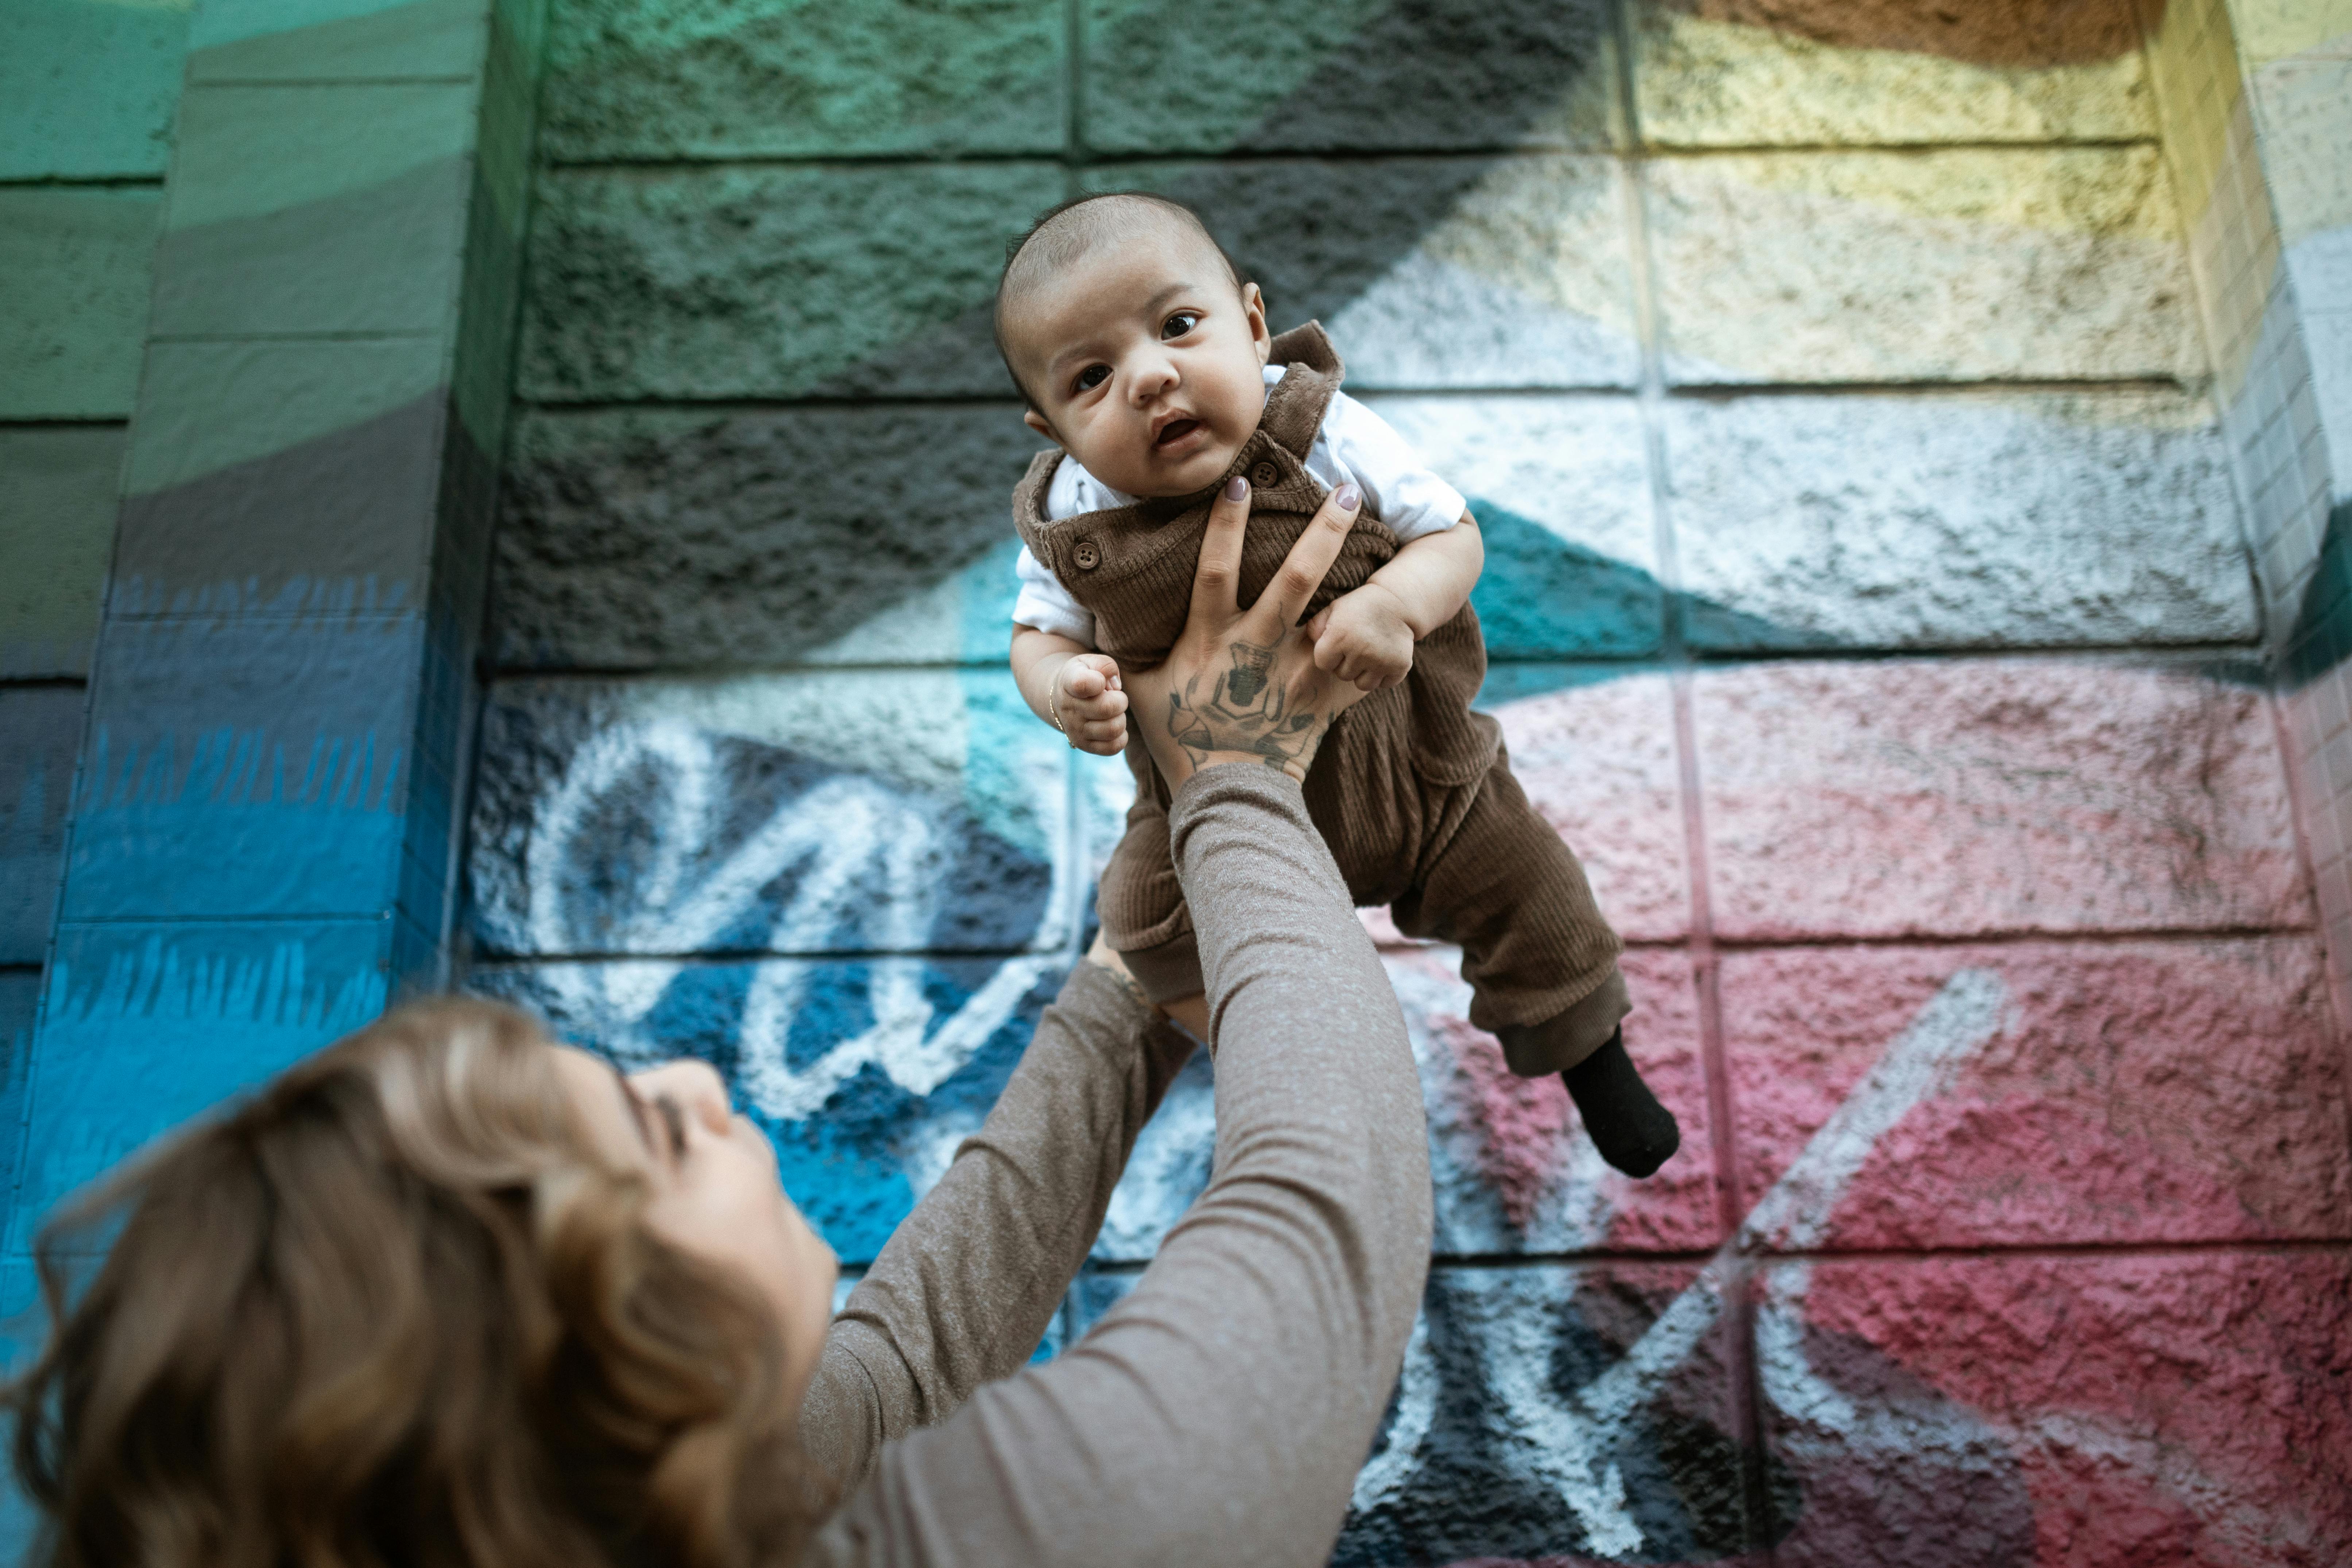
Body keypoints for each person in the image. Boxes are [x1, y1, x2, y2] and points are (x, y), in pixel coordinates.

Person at [8, 483, 1431, 1567]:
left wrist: (1138, 963)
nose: (691, 1081)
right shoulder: (1011, 1541)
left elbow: (915, 1350)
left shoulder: (684, 1510)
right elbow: (1329, 1204)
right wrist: (1238, 779)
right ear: (604, 1379)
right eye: (643, 1134)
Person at [997, 191, 1679, 1177]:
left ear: (1256, 324)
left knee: (1535, 896)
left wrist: (1397, 604)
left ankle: (1592, 1058)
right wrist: (1065, 686)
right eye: (1092, 378)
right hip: (1214, 813)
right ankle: (1275, 1063)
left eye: (1180, 327)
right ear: (1051, 425)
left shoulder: (1322, 430)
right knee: (1142, 918)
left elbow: (1453, 535)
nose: (1151, 376)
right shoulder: (1074, 513)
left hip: (1421, 777)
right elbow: (1036, 636)